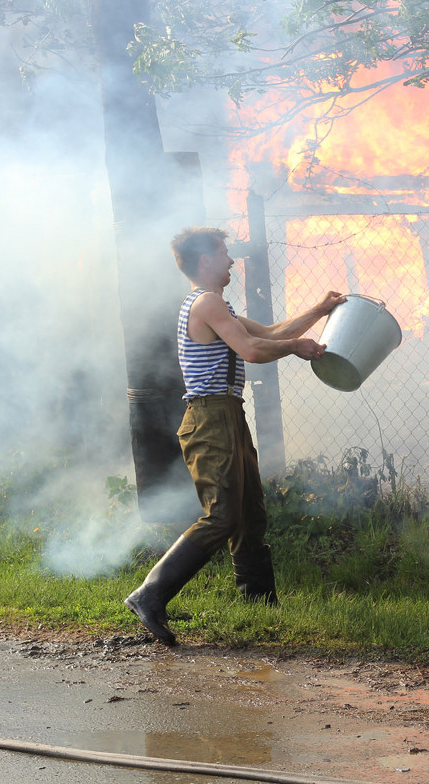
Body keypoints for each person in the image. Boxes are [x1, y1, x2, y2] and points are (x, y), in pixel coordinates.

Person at [125, 226, 346, 645]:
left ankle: (260, 607)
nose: (230, 261)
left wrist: (319, 311)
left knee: (248, 513)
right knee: (223, 515)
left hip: (227, 415)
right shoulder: (206, 303)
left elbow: (268, 333)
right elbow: (254, 351)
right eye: (224, 254)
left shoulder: (215, 306)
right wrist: (297, 347)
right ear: (205, 260)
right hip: (209, 419)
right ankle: (149, 595)